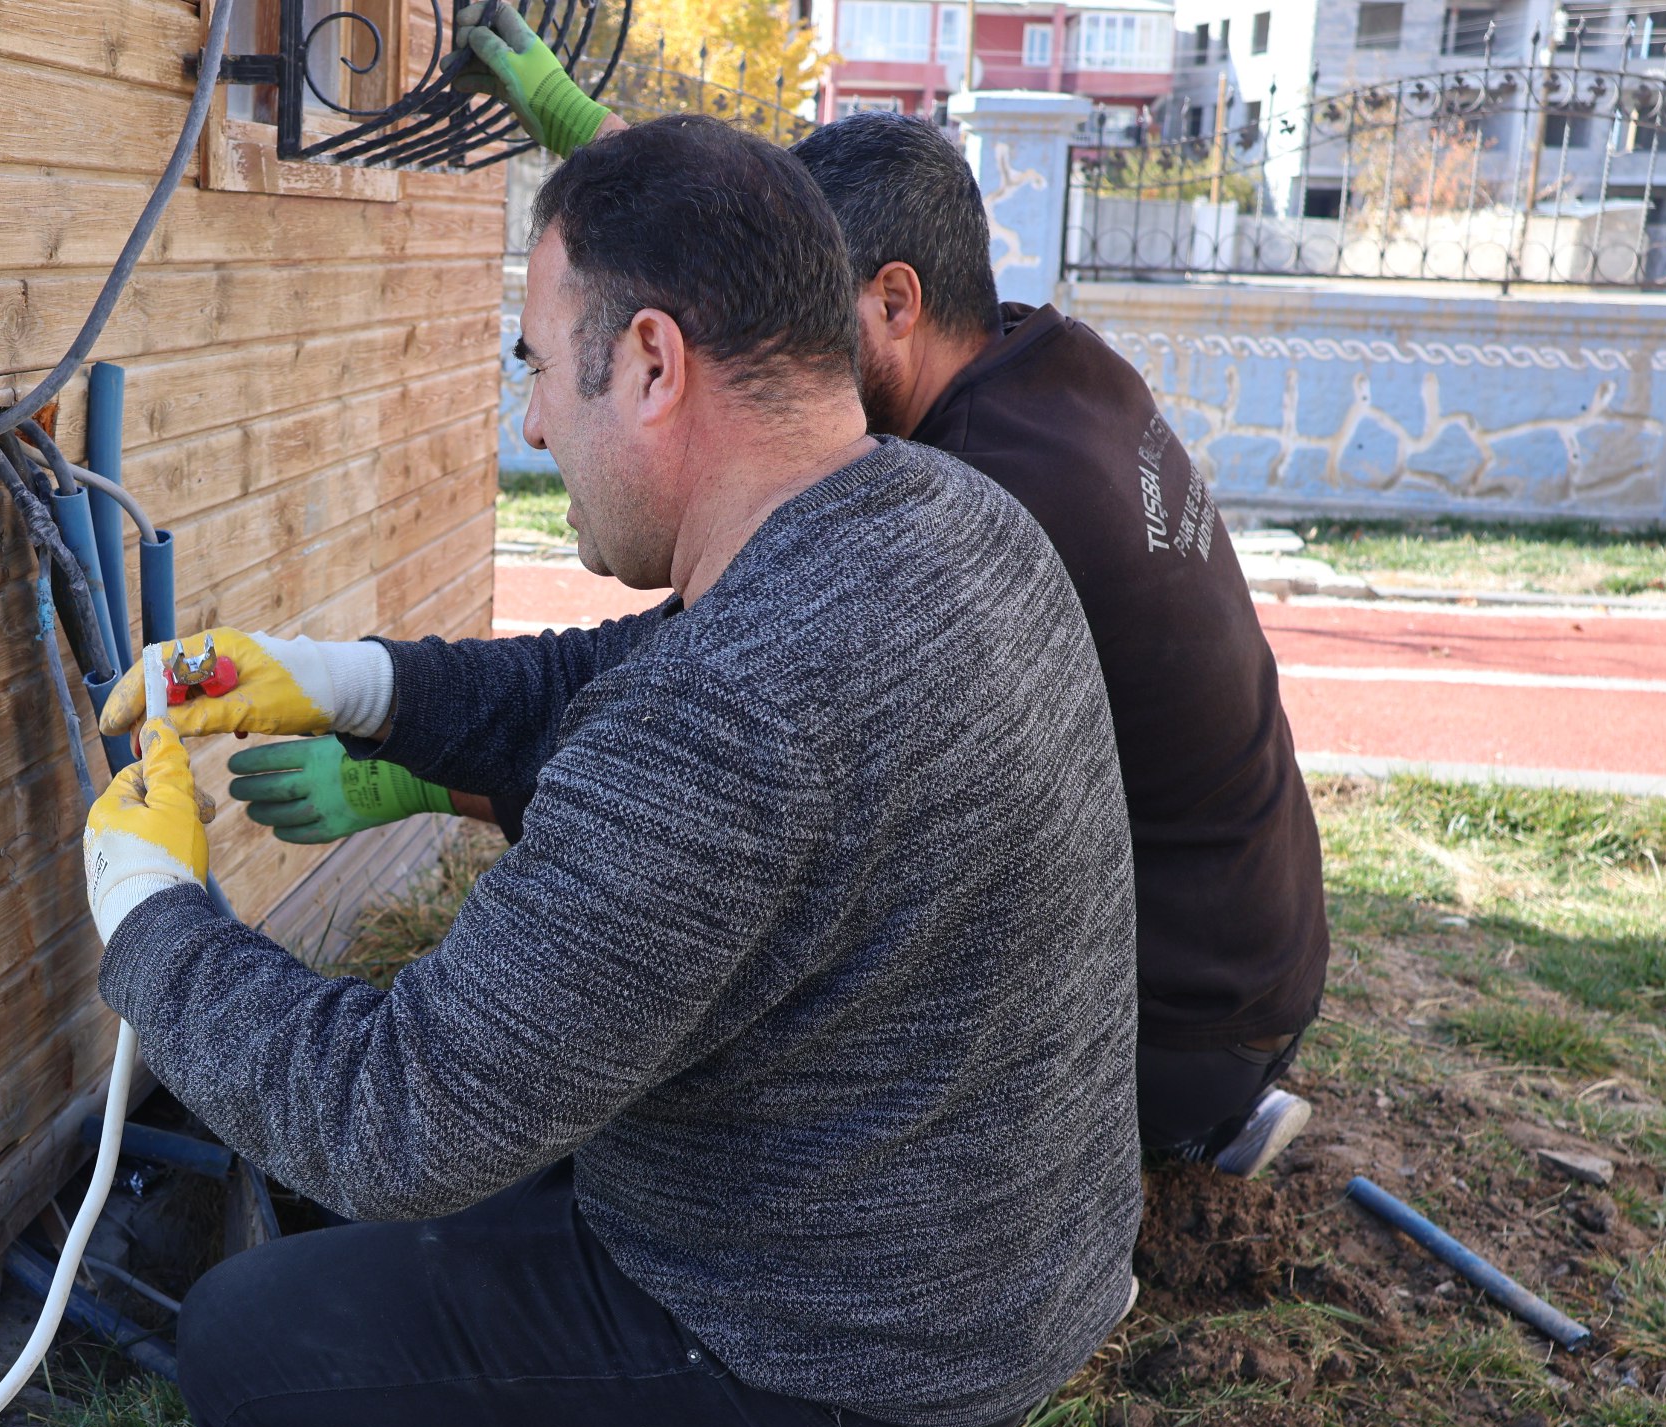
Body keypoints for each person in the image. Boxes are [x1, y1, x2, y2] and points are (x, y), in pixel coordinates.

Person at [82, 117, 1139, 1427]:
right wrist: (351, 682)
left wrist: (147, 909)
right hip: (971, 1254)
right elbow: (618, 672)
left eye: (537, 367)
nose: (526, 423)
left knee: (250, 1353)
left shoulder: (739, 719)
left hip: (855, 1362)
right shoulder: (935, 520)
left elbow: (395, 1117)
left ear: (651, 363)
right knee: (404, 1204)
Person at [266, 18, 1330, 1176]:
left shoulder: (963, 507)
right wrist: (600, 147)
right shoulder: (1048, 366)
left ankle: (1140, 1134)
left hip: (1170, 1017)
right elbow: (777, 251)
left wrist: (417, 773)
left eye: (820, 315)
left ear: (892, 302)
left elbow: (690, 767)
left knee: (744, 993)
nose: (789, 340)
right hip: (1249, 948)